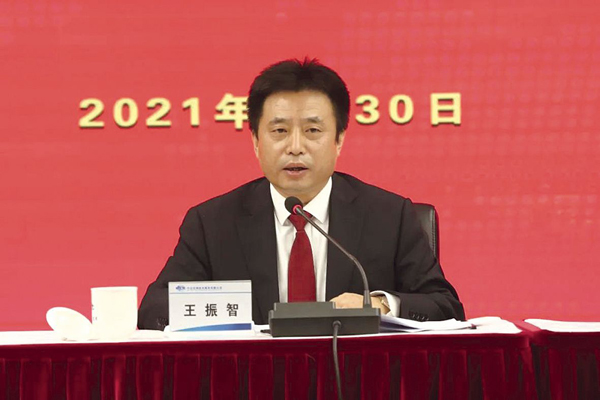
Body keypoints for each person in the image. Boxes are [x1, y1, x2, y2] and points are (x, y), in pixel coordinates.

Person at [138, 58, 464, 330]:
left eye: (312, 130)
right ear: (256, 141)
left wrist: (378, 305)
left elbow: (446, 307)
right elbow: (154, 310)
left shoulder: (389, 216)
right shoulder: (212, 223)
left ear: (339, 140)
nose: (295, 147)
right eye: (279, 131)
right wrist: (227, 311)